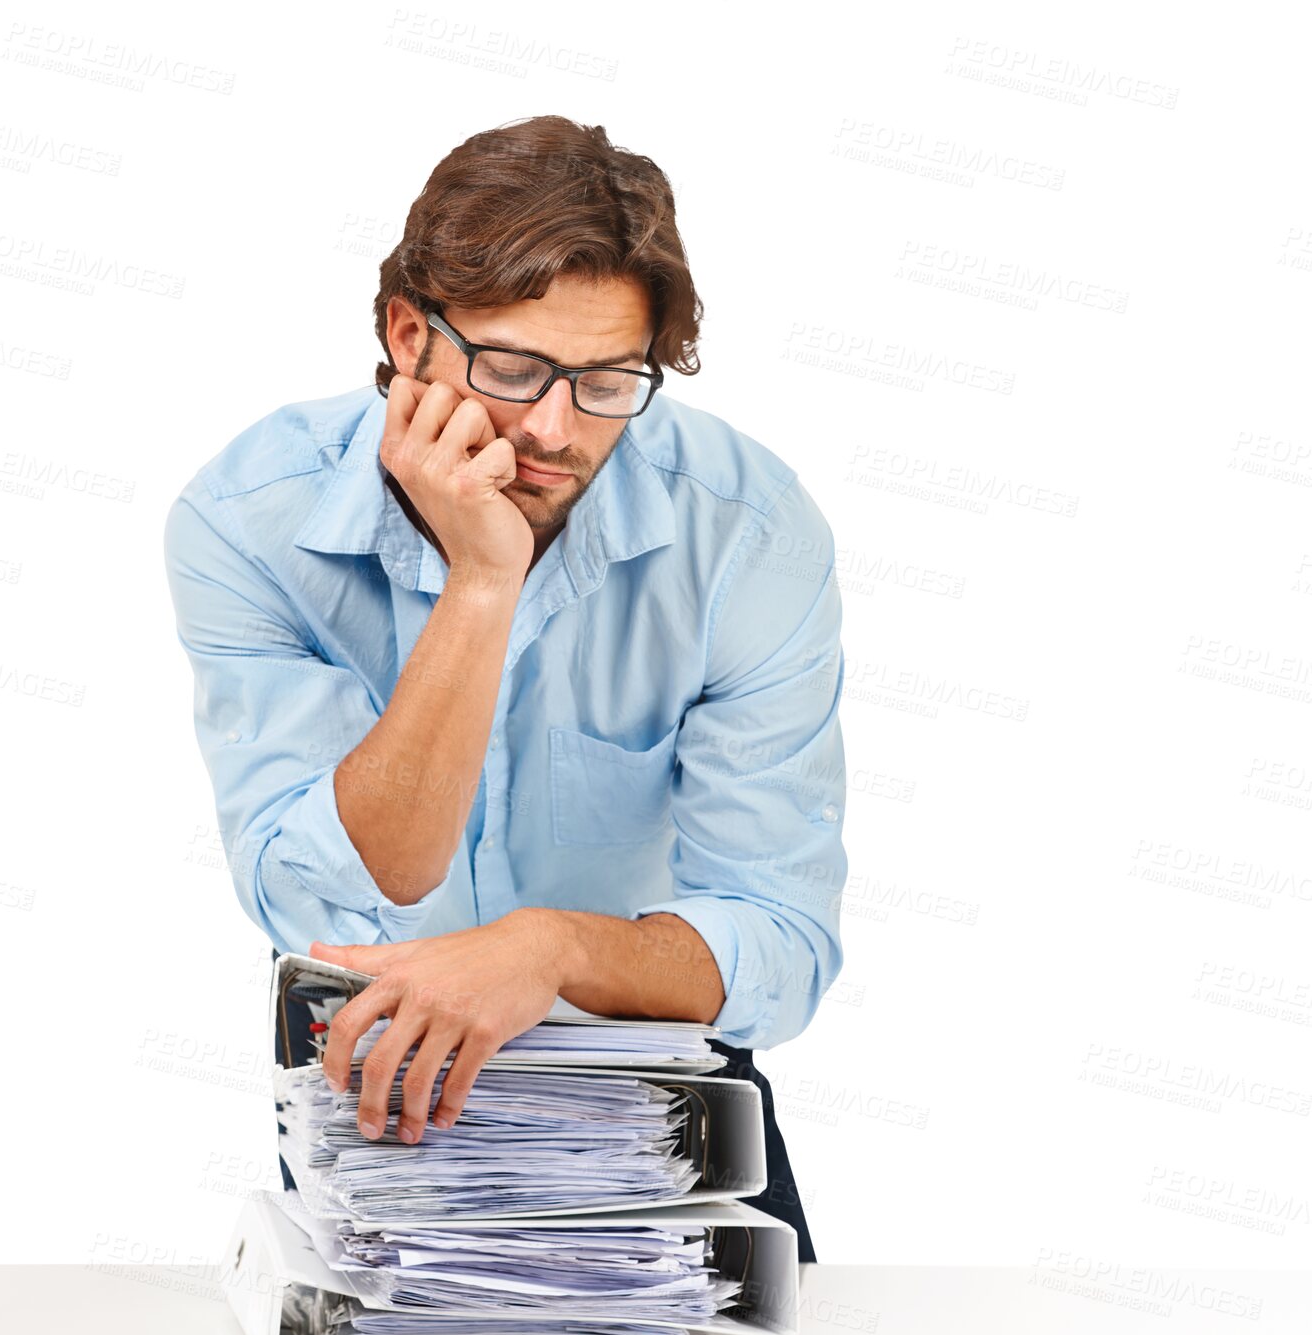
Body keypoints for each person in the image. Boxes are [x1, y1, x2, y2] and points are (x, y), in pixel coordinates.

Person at [165, 115, 848, 1262]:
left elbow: (780, 945)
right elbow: (328, 898)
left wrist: (551, 950)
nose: (551, 427)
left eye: (605, 381)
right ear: (406, 335)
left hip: (659, 1101)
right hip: (383, 1097)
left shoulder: (748, 531)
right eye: (512, 368)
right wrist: (484, 581)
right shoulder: (247, 522)